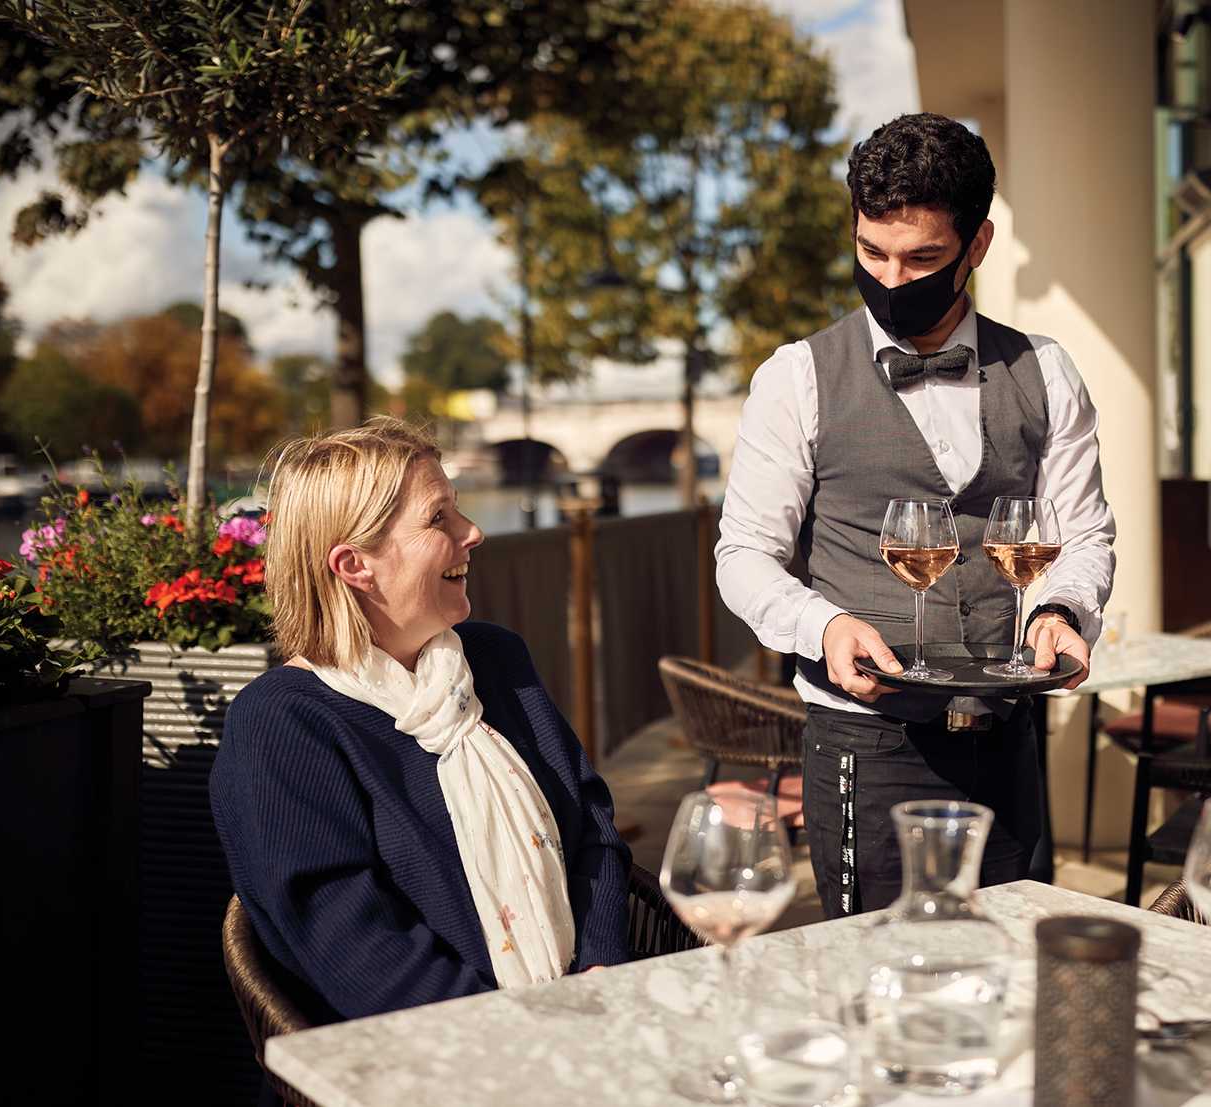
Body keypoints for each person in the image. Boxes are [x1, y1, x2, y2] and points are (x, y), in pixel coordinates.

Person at [716, 113, 1116, 917]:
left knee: (1012, 984)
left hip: (1007, 739)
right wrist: (822, 625)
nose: (893, 280)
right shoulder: (795, 377)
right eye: (872, 252)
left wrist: (1063, 609)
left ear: (978, 245)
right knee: (883, 992)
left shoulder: (1045, 369)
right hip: (868, 743)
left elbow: (1084, 534)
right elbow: (743, 556)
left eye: (924, 257)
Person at [211, 418, 631, 1020]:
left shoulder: (494, 658)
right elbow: (351, 945)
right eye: (440, 519)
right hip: (431, 1059)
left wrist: (601, 970)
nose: (474, 533)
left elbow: (592, 828)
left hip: (587, 1014)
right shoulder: (284, 723)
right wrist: (523, 1036)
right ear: (356, 565)